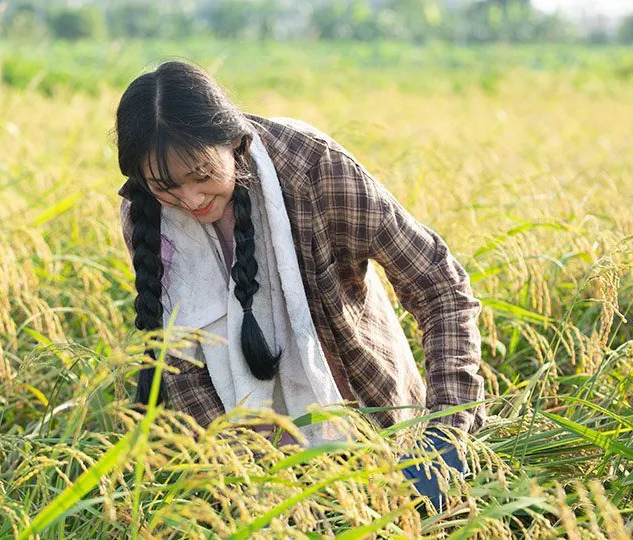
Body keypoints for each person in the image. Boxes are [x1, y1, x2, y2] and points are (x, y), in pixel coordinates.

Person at [113, 60, 485, 511]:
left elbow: (440, 285)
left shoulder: (313, 168)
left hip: (374, 431)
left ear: (235, 142)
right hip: (254, 471)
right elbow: (182, 366)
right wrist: (242, 474)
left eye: (202, 175)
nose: (190, 200)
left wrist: (445, 433)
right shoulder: (148, 218)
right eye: (166, 186)